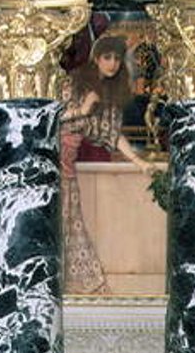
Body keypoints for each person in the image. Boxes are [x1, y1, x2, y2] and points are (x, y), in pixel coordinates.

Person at [60, 35, 152, 294]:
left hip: (67, 161)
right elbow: (53, 116)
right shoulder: (74, 84)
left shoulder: (109, 95)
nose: (112, 64)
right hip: (52, 156)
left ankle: (74, 286)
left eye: (117, 59)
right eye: (107, 57)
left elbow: (111, 134)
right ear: (96, 58)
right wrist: (83, 110)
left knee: (70, 218)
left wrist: (139, 162)